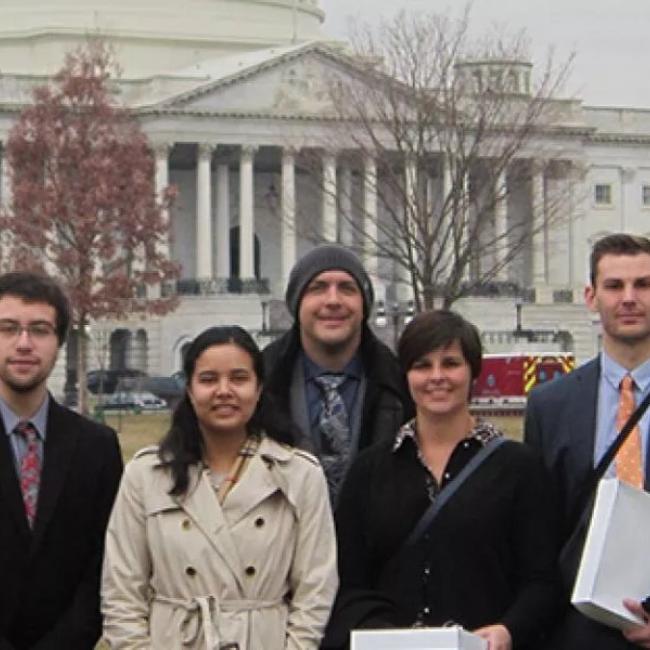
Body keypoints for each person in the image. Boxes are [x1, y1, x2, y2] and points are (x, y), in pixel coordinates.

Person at [325, 310, 559, 650]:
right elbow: (349, 583)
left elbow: (542, 581)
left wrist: (509, 629)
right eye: (422, 365)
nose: (437, 377)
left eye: (450, 364)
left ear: (473, 371)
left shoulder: (519, 467)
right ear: (406, 374)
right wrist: (382, 631)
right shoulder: (370, 470)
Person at [102, 325, 338, 649]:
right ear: (189, 389)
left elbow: (315, 590)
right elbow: (121, 592)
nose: (224, 391)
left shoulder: (299, 475)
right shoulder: (146, 475)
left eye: (238, 378)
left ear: (258, 389)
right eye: (209, 379)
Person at [525, 232, 650, 649]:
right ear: (591, 297)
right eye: (614, 286)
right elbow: (540, 533)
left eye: (643, 285)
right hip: (578, 630)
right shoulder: (550, 405)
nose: (629, 298)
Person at [0, 271, 123, 649]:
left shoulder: (97, 447)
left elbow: (106, 565)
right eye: (7, 329)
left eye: (39, 330)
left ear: (60, 342)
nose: (24, 343)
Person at [264, 244, 412, 505]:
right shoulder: (261, 384)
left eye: (347, 288)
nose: (332, 301)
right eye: (317, 288)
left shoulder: (400, 385)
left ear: (364, 306)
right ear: (297, 304)